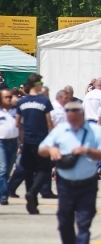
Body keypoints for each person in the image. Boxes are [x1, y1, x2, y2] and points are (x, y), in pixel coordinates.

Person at [39, 101, 101, 244]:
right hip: (65, 184)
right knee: (65, 223)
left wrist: (87, 150)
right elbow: (42, 149)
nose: (72, 120)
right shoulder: (60, 131)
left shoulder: (95, 131)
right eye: (69, 116)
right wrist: (51, 150)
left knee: (84, 222)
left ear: (82, 115)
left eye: (75, 117)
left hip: (87, 184)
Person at [16, 74, 54, 214]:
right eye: (41, 84)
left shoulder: (22, 102)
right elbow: (49, 123)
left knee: (28, 171)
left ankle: (31, 202)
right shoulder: (44, 101)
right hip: (41, 141)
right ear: (36, 84)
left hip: (27, 141)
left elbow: (17, 122)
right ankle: (32, 193)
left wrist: (23, 138)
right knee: (44, 169)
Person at [0, 88, 18, 205]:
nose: (9, 99)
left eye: (10, 97)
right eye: (6, 97)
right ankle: (3, 196)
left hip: (14, 142)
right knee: (3, 169)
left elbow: (20, 126)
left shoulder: (15, 110)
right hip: (1, 142)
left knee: (8, 170)